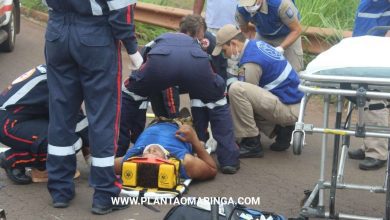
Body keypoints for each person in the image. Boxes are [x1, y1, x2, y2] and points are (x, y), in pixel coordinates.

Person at [43, 0, 141, 214]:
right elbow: (120, 8)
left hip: (57, 31)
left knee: (60, 115)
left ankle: (60, 189)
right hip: (95, 35)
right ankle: (105, 193)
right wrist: (133, 50)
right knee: (103, 117)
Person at [119, 28, 240, 174]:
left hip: (161, 65)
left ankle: (118, 149)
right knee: (215, 101)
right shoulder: (184, 160)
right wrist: (196, 141)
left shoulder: (158, 40)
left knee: (131, 95)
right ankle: (229, 160)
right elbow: (211, 168)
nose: (151, 152)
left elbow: (139, 76)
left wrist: (137, 137)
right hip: (195, 65)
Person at [212, 24, 303, 158]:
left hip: (290, 110)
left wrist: (229, 132)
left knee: (237, 91)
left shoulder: (250, 63)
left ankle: (251, 142)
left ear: (233, 43)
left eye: (225, 51)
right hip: (293, 104)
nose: (225, 56)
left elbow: (243, 103)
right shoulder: (255, 44)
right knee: (241, 93)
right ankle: (282, 130)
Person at [0, 65, 89, 184]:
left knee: (62, 131)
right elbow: (74, 122)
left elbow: (74, 112)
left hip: (15, 118)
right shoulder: (62, 80)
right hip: (8, 124)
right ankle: (14, 159)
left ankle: (28, 155)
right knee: (71, 142)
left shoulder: (57, 69)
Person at [347, 0, 390, 170]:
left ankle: (377, 153)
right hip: (363, 50)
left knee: (375, 102)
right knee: (363, 100)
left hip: (377, 53)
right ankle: (368, 145)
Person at [115, 120, 217, 181]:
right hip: (179, 125)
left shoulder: (128, 161)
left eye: (146, 154)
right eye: (155, 154)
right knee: (200, 142)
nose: (151, 149)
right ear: (167, 161)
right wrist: (195, 140)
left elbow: (103, 168)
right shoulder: (185, 162)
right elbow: (212, 169)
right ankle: (198, 140)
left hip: (154, 123)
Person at [235, 0, 304, 72]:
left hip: (287, 34)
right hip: (262, 35)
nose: (249, 6)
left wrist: (281, 48)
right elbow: (245, 30)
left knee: (293, 70)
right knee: (257, 66)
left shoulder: (281, 4)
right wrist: (252, 46)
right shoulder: (241, 9)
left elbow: (297, 30)